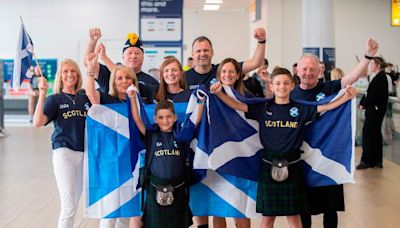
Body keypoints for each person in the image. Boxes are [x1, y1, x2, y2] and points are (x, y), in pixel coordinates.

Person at [210, 67, 356, 228]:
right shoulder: (263, 107)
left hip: (293, 166)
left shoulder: (302, 108)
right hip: (268, 164)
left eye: (286, 83)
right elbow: (237, 106)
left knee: (294, 218)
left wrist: (345, 98)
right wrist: (219, 94)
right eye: (278, 83)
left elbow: (327, 107)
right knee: (267, 219)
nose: (282, 87)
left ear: (293, 85)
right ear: (271, 86)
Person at [291, 38, 379, 228]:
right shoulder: (289, 95)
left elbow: (351, 78)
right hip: (301, 161)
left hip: (328, 159)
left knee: (330, 209)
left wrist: (368, 56)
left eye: (312, 69)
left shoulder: (328, 88)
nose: (308, 73)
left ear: (319, 71)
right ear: (297, 70)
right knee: (303, 209)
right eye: (304, 69)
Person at [128, 88, 205, 228]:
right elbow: (137, 119)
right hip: (155, 188)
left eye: (169, 116)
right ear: (155, 119)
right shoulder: (151, 135)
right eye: (161, 117)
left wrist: (201, 101)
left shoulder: (182, 135)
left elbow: (196, 121)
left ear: (175, 117)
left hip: (179, 188)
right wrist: (133, 98)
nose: (165, 120)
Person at [33, 59, 91, 228]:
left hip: (84, 154)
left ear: (78, 75)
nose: (69, 74)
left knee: (75, 203)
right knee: (68, 205)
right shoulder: (55, 99)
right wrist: (42, 94)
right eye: (65, 71)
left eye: (73, 71)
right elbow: (38, 122)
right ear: (60, 76)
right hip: (64, 153)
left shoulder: (85, 98)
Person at [85, 53, 141, 228]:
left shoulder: (139, 101)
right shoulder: (107, 99)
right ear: (113, 82)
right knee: (109, 212)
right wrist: (89, 72)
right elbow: (91, 94)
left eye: (127, 78)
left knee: (127, 211)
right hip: (110, 162)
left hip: (133, 161)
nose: (124, 81)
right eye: (119, 78)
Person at [212, 58, 253, 228]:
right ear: (219, 75)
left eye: (231, 72)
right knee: (218, 205)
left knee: (241, 205)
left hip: (242, 158)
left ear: (238, 75)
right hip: (219, 155)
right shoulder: (211, 95)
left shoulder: (248, 97)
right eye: (224, 71)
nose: (227, 75)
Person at [83, 28, 158, 104]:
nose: (133, 56)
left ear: (143, 57)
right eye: (129, 53)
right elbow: (88, 63)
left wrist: (104, 58)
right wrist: (92, 42)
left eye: (137, 53)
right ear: (123, 56)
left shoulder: (151, 82)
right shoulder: (109, 75)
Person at [185, 28, 266, 91]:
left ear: (212, 52)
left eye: (206, 50)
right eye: (198, 51)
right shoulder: (184, 77)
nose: (202, 54)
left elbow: (255, 63)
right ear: (192, 54)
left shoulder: (223, 70)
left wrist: (261, 41)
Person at [357, 56, 389, 169]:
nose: (370, 66)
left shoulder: (380, 78)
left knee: (368, 134)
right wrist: (363, 102)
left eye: (372, 64)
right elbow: (369, 93)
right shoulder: (378, 77)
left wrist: (363, 104)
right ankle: (376, 161)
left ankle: (367, 161)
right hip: (375, 110)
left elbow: (372, 95)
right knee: (375, 134)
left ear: (378, 66)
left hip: (375, 111)